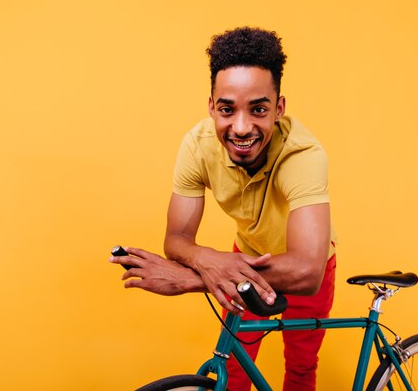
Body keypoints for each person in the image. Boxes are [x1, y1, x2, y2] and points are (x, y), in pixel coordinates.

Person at [110, 26, 336, 391]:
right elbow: (177, 237)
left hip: (304, 265)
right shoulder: (197, 145)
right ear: (211, 106)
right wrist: (210, 260)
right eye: (228, 109)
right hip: (242, 259)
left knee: (299, 370)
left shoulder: (303, 155)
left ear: (279, 108)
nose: (242, 127)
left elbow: (307, 270)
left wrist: (192, 277)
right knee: (234, 371)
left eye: (258, 109)